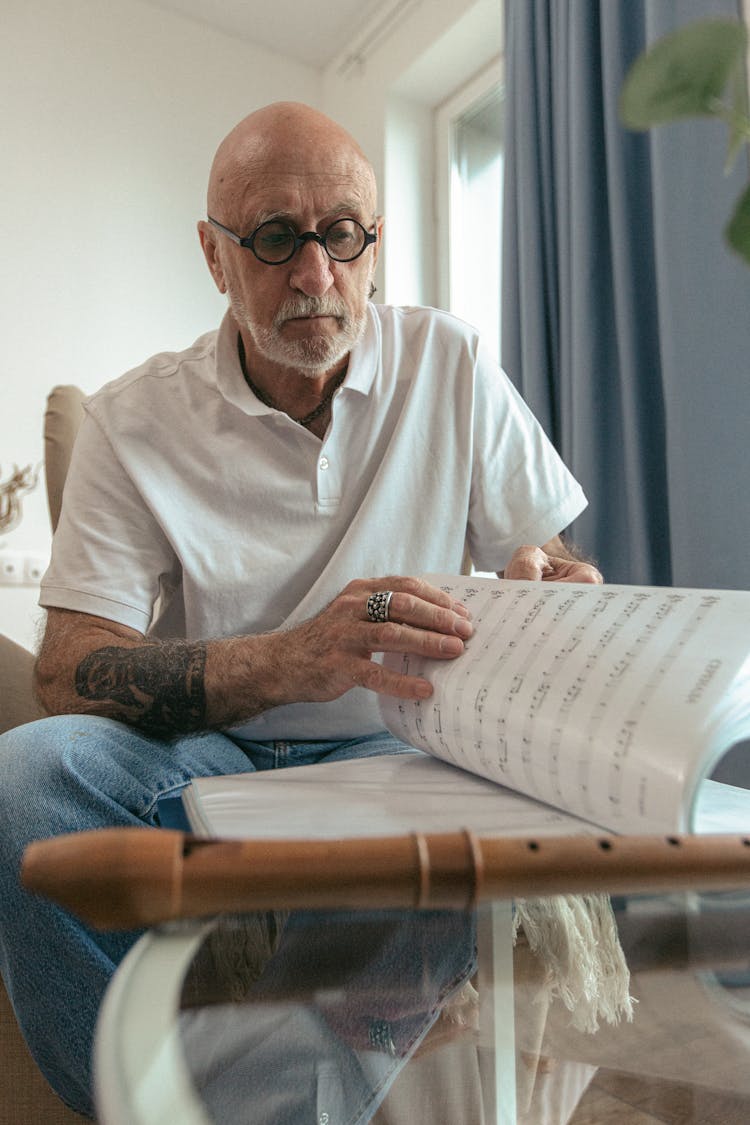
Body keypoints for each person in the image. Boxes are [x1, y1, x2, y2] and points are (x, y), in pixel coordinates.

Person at [0, 101, 601, 1117]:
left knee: (466, 826)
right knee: (25, 774)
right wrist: (291, 661)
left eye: (342, 236)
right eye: (275, 238)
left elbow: (548, 554)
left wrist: (558, 583)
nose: (315, 276)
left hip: (396, 755)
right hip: (202, 755)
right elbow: (68, 668)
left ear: (373, 248)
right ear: (214, 255)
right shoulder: (131, 420)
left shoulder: (450, 365)